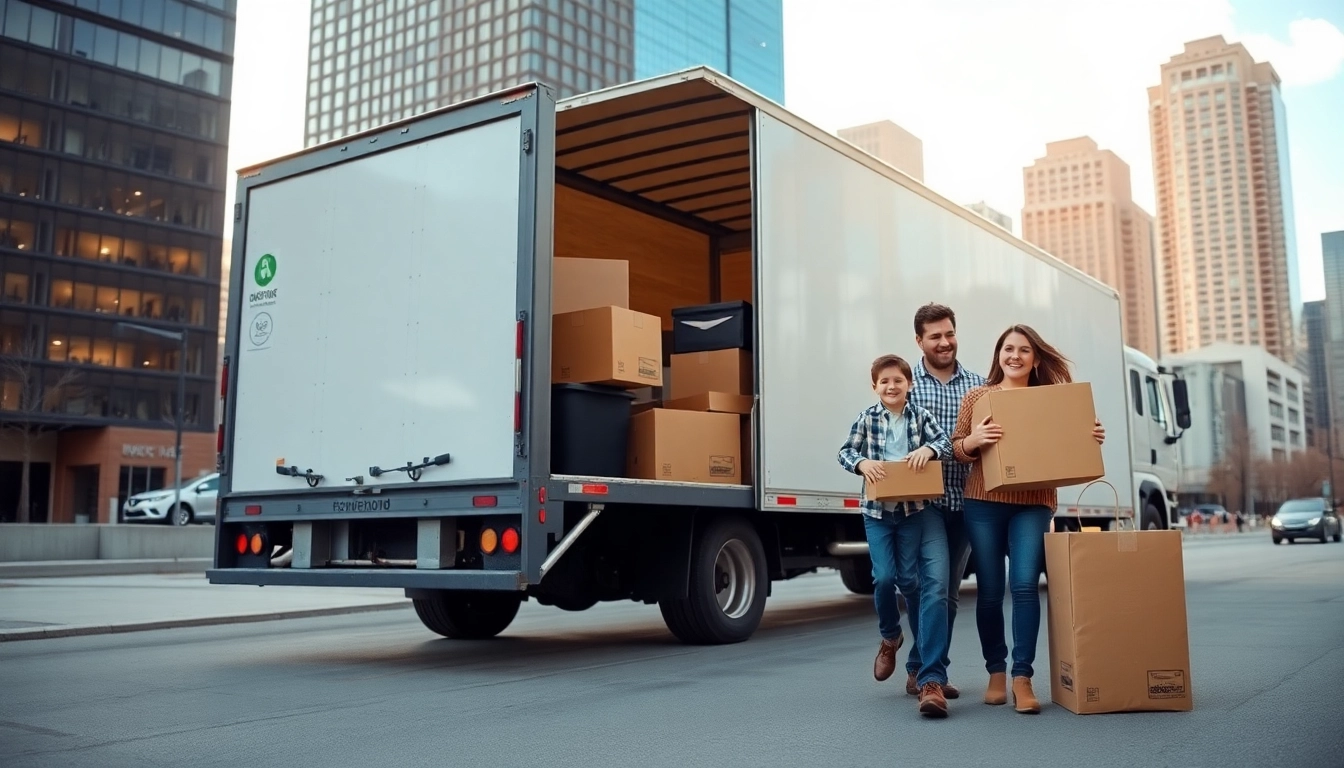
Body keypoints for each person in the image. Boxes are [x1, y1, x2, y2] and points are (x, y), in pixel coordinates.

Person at [951, 324, 1106, 714]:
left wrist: (1090, 437)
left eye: (1023, 350)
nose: (1014, 356)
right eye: (1008, 349)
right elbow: (956, 449)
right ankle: (996, 673)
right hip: (983, 502)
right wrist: (975, 441)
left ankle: (1022, 676)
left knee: (1023, 586)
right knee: (989, 591)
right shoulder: (978, 396)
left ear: (1035, 358)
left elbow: (1071, 443)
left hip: (1034, 503)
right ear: (998, 355)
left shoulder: (1050, 400)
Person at [838, 354, 955, 718]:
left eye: (898, 381)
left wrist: (928, 449)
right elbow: (845, 451)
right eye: (884, 381)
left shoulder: (920, 417)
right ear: (875, 387)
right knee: (884, 577)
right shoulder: (867, 418)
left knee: (910, 580)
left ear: (910, 384)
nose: (891, 386)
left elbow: (946, 444)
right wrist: (861, 463)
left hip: (911, 513)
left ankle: (923, 668)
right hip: (877, 514)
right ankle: (891, 636)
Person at [903, 303, 986, 701]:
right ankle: (932, 680)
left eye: (949, 333)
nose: (945, 342)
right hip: (924, 503)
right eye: (935, 336)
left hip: (967, 500)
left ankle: (920, 665)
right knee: (932, 587)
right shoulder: (907, 386)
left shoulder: (978, 385)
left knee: (948, 593)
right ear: (919, 341)